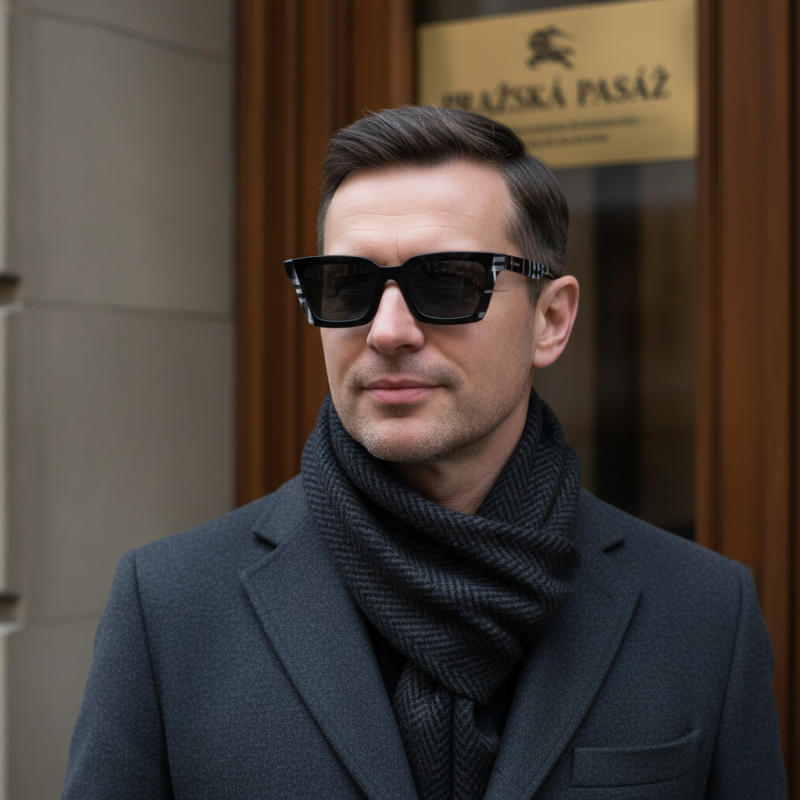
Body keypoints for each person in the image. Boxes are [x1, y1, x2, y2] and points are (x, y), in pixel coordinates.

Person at [61, 106, 786, 800]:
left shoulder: (702, 614)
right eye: (347, 285)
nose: (388, 330)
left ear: (551, 320)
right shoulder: (169, 607)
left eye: (448, 281)